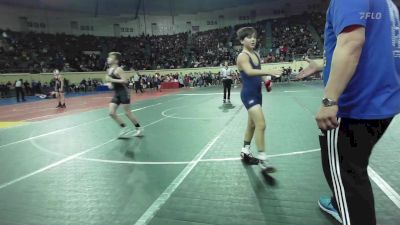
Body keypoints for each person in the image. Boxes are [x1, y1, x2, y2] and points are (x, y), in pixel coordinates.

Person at [297, 0, 400, 224]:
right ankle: (337, 203)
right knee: (354, 169)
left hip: (354, 106)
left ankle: (347, 209)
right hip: (384, 102)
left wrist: (329, 99)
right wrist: (321, 64)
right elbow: (376, 49)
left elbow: (352, 43)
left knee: (347, 178)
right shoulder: (387, 4)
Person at [236, 27, 281, 173]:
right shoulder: (242, 56)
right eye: (249, 37)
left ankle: (245, 151)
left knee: (252, 125)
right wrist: (270, 72)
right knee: (261, 124)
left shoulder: (255, 54)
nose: (253, 39)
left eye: (254, 36)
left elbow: (258, 73)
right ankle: (263, 159)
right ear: (242, 40)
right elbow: (249, 71)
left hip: (257, 94)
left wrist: (267, 80)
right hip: (249, 94)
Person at [105, 52, 144, 138]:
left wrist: (111, 80)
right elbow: (112, 83)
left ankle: (139, 128)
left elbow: (125, 81)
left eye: (110, 58)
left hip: (124, 92)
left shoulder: (119, 69)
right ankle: (124, 128)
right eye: (108, 57)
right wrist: (110, 84)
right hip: (117, 93)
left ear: (116, 61)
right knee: (111, 113)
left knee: (127, 113)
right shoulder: (108, 70)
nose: (108, 59)